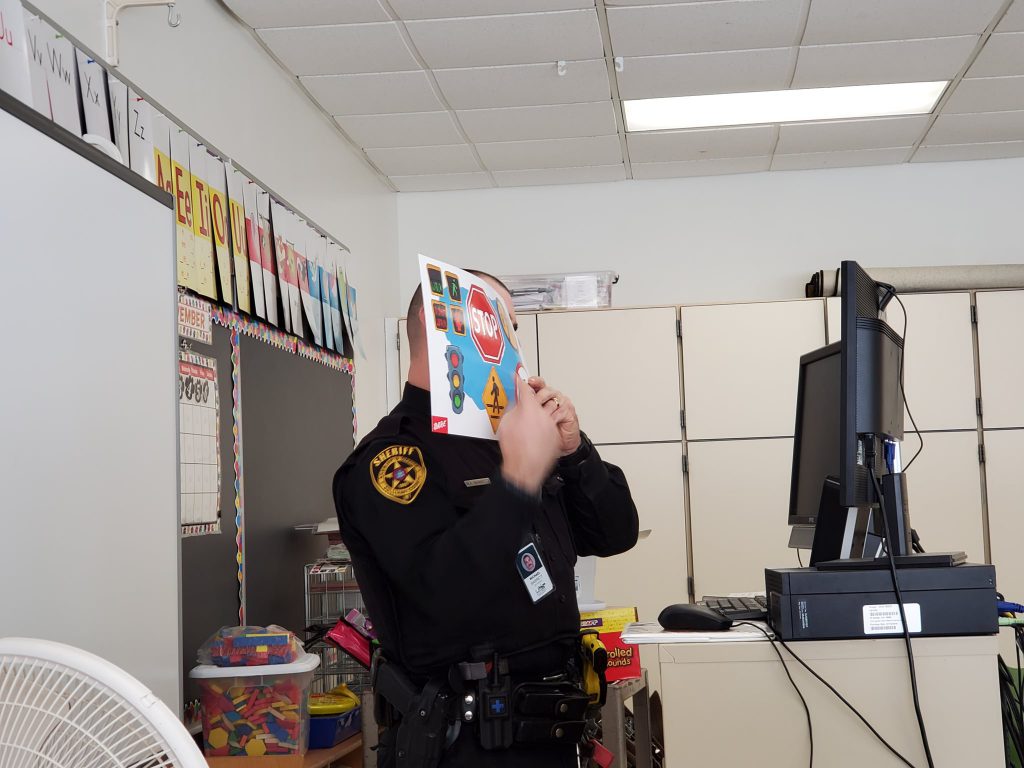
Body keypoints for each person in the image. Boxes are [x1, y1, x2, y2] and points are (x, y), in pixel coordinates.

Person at [332, 272, 639, 767]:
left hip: (554, 728)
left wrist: (574, 452)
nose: (515, 351)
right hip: (466, 743)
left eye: (513, 331)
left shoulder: (511, 439)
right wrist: (518, 480)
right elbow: (441, 591)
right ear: (444, 332)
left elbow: (614, 533)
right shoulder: (392, 459)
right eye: (499, 329)